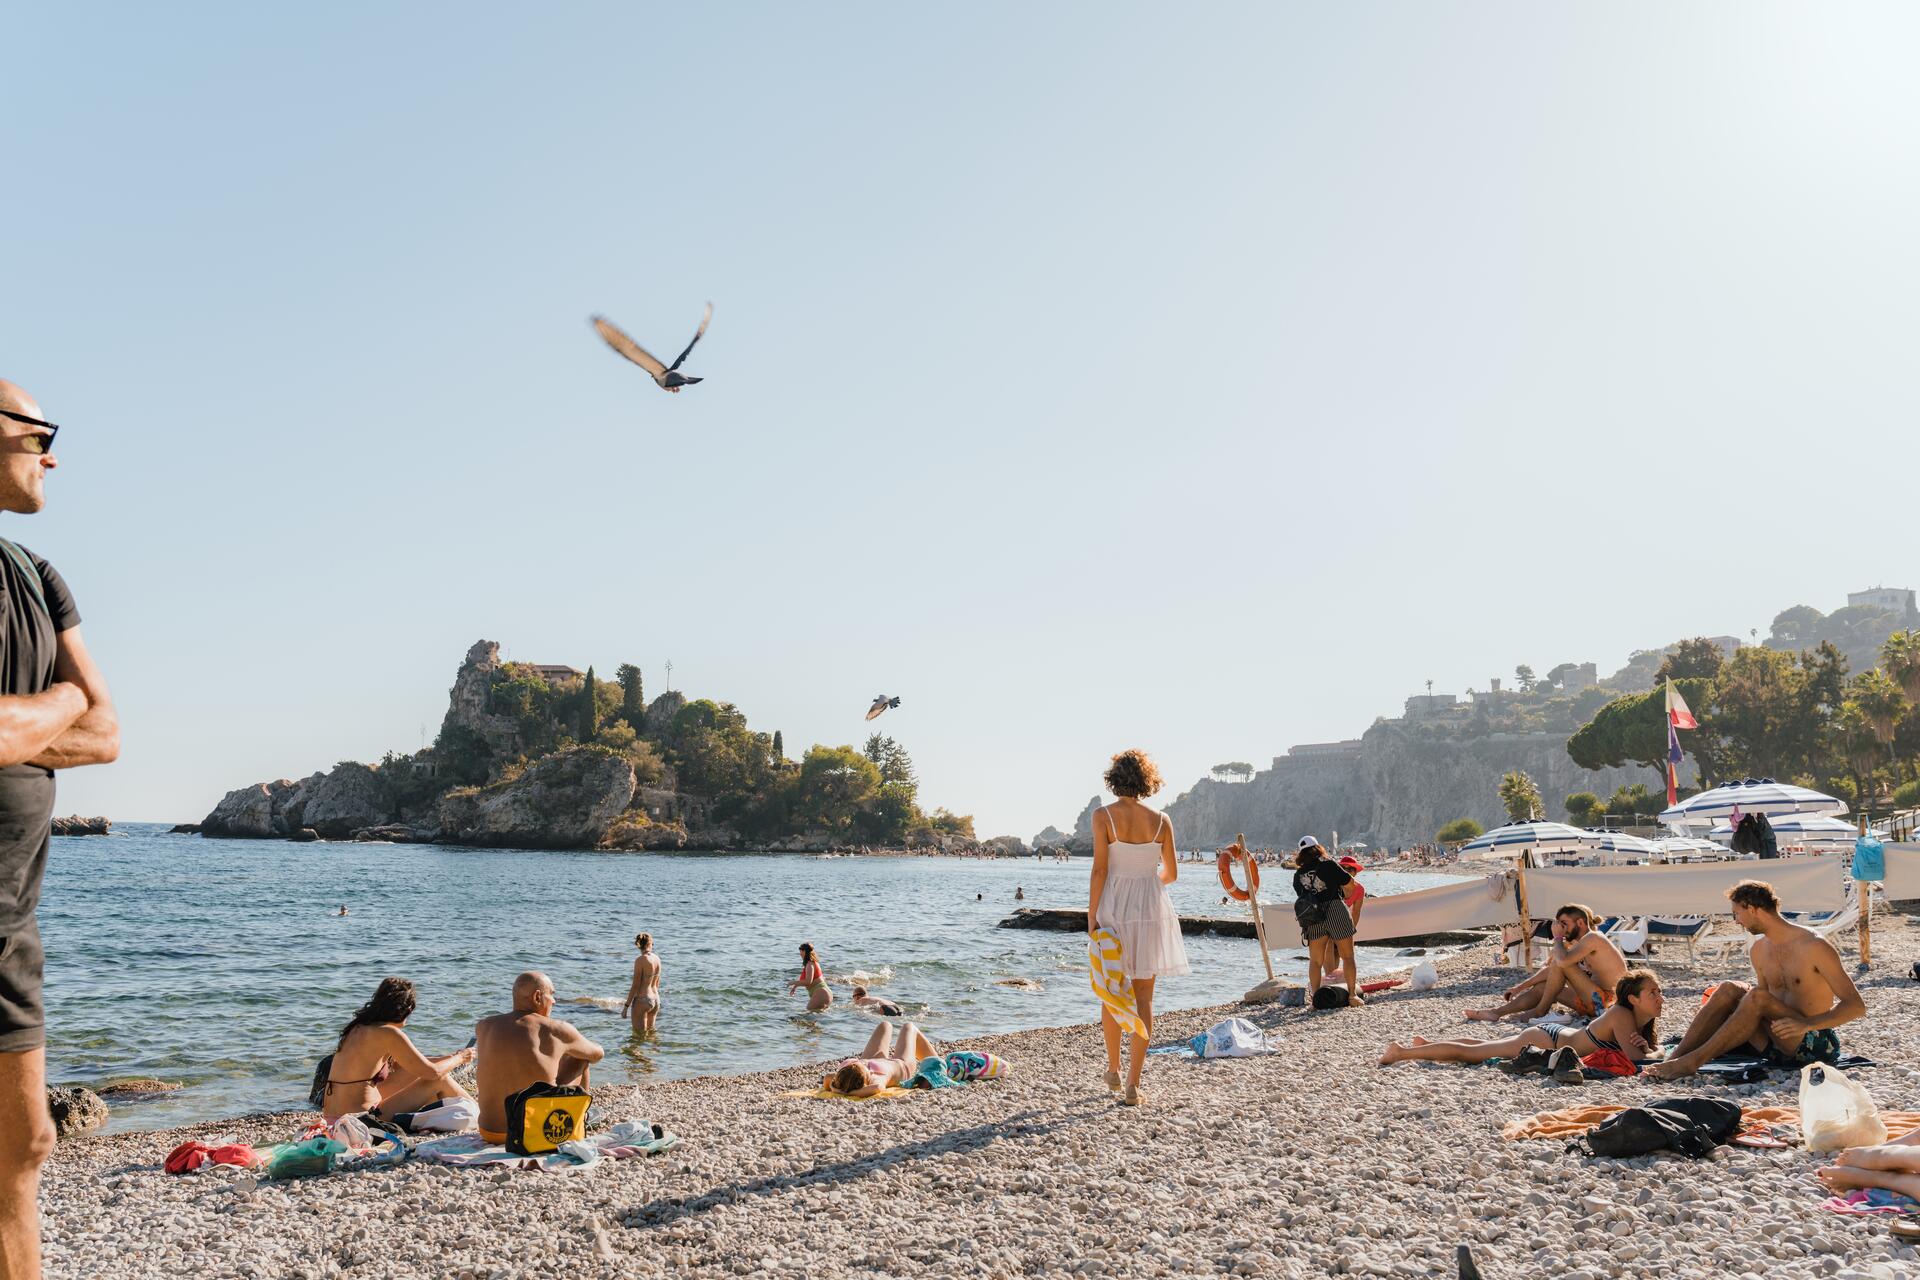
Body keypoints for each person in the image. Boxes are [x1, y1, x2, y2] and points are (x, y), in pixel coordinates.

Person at [0, 380, 119, 1280]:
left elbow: (108, 733)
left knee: (28, 1149)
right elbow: (77, 711)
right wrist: (66, 700)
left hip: (10, 931)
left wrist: (43, 714)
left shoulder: (39, 576)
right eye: (38, 432)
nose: (53, 454)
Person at [1648, 880, 1866, 1080]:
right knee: (1729, 988)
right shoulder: (1759, 950)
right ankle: (1674, 1059)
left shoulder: (1814, 946)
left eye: (1737, 913)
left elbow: (1856, 1006)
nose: (1736, 921)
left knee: (1757, 997)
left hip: (1811, 1040)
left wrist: (1806, 1024)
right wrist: (1723, 1014)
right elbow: (1758, 1009)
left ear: (1752, 909)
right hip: (1773, 1044)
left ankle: (1692, 1062)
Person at [1088, 748, 1188, 1107]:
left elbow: (1100, 870)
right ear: (1147, 781)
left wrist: (1091, 916)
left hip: (1114, 905)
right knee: (1144, 997)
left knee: (1112, 990)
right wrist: (1148, 883)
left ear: (1114, 779)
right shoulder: (1162, 820)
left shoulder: (1103, 816)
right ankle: (1133, 1083)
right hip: (1151, 907)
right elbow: (1171, 874)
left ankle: (1113, 1069)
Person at [1381, 969, 1663, 1069]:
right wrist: (1657, 1051)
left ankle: (1425, 1045)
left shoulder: (1637, 1018)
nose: (1660, 997)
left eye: (1659, 991)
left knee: (1484, 1046)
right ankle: (1401, 1053)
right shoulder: (1622, 1014)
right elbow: (1640, 1061)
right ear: (1633, 999)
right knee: (1473, 1054)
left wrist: (1650, 1049)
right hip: (1547, 1042)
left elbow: (1641, 1053)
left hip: (1553, 1038)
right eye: (1653, 992)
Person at [474, 972, 606, 1144]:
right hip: (535, 1135)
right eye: (551, 994)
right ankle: (581, 1117)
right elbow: (597, 1054)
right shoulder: (555, 1029)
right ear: (537, 997)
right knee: (580, 1058)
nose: (554, 1001)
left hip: (489, 1132)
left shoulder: (484, 1025)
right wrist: (572, 1046)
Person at [320, 977, 474, 1122]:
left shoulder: (357, 1027)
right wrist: (460, 1058)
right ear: (407, 1009)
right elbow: (433, 1072)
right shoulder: (389, 1033)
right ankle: (479, 1114)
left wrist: (451, 1057)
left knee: (416, 1074)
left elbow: (412, 1065)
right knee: (440, 1079)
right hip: (361, 1119)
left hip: (332, 1116)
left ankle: (456, 1111)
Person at [1465, 904, 1626, 1022]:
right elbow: (1552, 970)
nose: (1561, 928)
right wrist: (1519, 988)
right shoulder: (1578, 943)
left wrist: (1557, 938)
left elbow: (1561, 963)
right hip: (1592, 1002)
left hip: (1607, 1004)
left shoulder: (1594, 938)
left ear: (1580, 923)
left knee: (1560, 963)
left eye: (1564, 924)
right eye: (1559, 925)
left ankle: (1540, 1011)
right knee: (1543, 987)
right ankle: (1495, 1012)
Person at [1292, 838, 1360, 1005]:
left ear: (1301, 853)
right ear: (1318, 848)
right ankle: (1352, 995)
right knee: (1348, 956)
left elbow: (1303, 896)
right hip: (1335, 908)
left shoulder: (1298, 875)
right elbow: (1351, 884)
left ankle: (1316, 999)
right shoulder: (1328, 864)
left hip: (1313, 916)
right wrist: (1345, 894)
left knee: (1315, 961)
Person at [822, 1021, 940, 1097]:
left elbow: (827, 1077)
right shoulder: (876, 1078)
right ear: (866, 1081)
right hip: (902, 1065)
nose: (865, 1065)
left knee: (885, 1024)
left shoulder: (845, 1072)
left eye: (859, 1063)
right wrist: (851, 1093)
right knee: (909, 1027)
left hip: (875, 1060)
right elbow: (878, 1088)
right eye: (866, 1069)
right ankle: (939, 1065)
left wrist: (835, 1089)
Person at [619, 932, 662, 1036]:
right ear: (650, 944)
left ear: (638, 945)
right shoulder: (657, 959)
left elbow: (635, 985)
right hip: (656, 1000)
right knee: (651, 1034)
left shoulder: (640, 960)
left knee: (638, 1037)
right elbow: (657, 983)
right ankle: (654, 1047)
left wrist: (626, 1007)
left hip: (643, 1000)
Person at [788, 941, 832, 1012]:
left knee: (807, 1014)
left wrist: (793, 982)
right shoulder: (812, 963)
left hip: (821, 993)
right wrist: (795, 987)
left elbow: (808, 981)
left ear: (804, 951)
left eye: (800, 952)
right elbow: (809, 980)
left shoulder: (810, 964)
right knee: (814, 1016)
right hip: (823, 993)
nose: (800, 954)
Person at [1338, 855, 1366, 933]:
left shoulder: (1359, 889)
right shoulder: (1330, 884)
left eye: (1350, 869)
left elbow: (1356, 912)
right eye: (1342, 868)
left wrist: (1351, 930)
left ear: (1355, 873)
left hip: (1340, 921)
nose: (1345, 871)